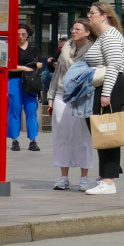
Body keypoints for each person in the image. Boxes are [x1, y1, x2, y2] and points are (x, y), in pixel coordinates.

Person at [45, 19, 96, 191]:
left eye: (78, 29)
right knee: (62, 134)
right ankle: (63, 177)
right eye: (73, 29)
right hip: (61, 92)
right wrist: (50, 97)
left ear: (87, 32)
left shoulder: (93, 49)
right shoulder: (66, 47)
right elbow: (58, 71)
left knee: (83, 136)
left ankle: (84, 178)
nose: (74, 32)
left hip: (82, 95)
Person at [83, 1, 124, 196]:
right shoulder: (103, 37)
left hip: (107, 88)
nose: (89, 15)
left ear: (104, 15)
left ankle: (108, 180)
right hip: (101, 88)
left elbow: (114, 66)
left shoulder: (110, 36)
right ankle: (104, 176)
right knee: (102, 134)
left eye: (92, 12)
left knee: (107, 134)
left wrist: (106, 93)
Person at [7, 24, 43, 152]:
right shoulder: (10, 46)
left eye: (23, 34)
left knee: (31, 109)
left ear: (28, 34)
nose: (20, 37)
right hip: (14, 80)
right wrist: (23, 67)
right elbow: (7, 66)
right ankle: (14, 139)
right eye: (17, 34)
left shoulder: (33, 47)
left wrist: (31, 66)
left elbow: (39, 64)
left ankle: (33, 140)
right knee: (14, 109)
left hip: (30, 81)